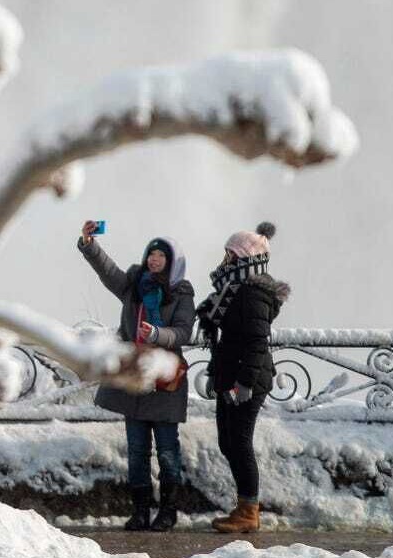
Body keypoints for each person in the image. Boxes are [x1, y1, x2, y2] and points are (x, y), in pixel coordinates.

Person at [78, 221, 196, 532]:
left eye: (161, 256)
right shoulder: (134, 286)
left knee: (168, 451)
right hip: (134, 378)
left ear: (172, 262)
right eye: (151, 254)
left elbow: (184, 331)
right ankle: (141, 511)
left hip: (163, 379)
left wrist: (158, 333)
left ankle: (168, 512)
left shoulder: (181, 294)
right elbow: (108, 272)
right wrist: (90, 245)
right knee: (137, 452)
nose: (154, 260)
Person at [196, 221, 290, 533]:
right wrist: (217, 373)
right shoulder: (232, 290)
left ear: (244, 259)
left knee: (239, 442)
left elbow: (256, 342)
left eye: (229, 254)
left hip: (246, 379)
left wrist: (245, 383)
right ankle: (244, 506)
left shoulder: (252, 294)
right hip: (230, 373)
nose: (224, 259)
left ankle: (249, 512)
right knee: (228, 441)